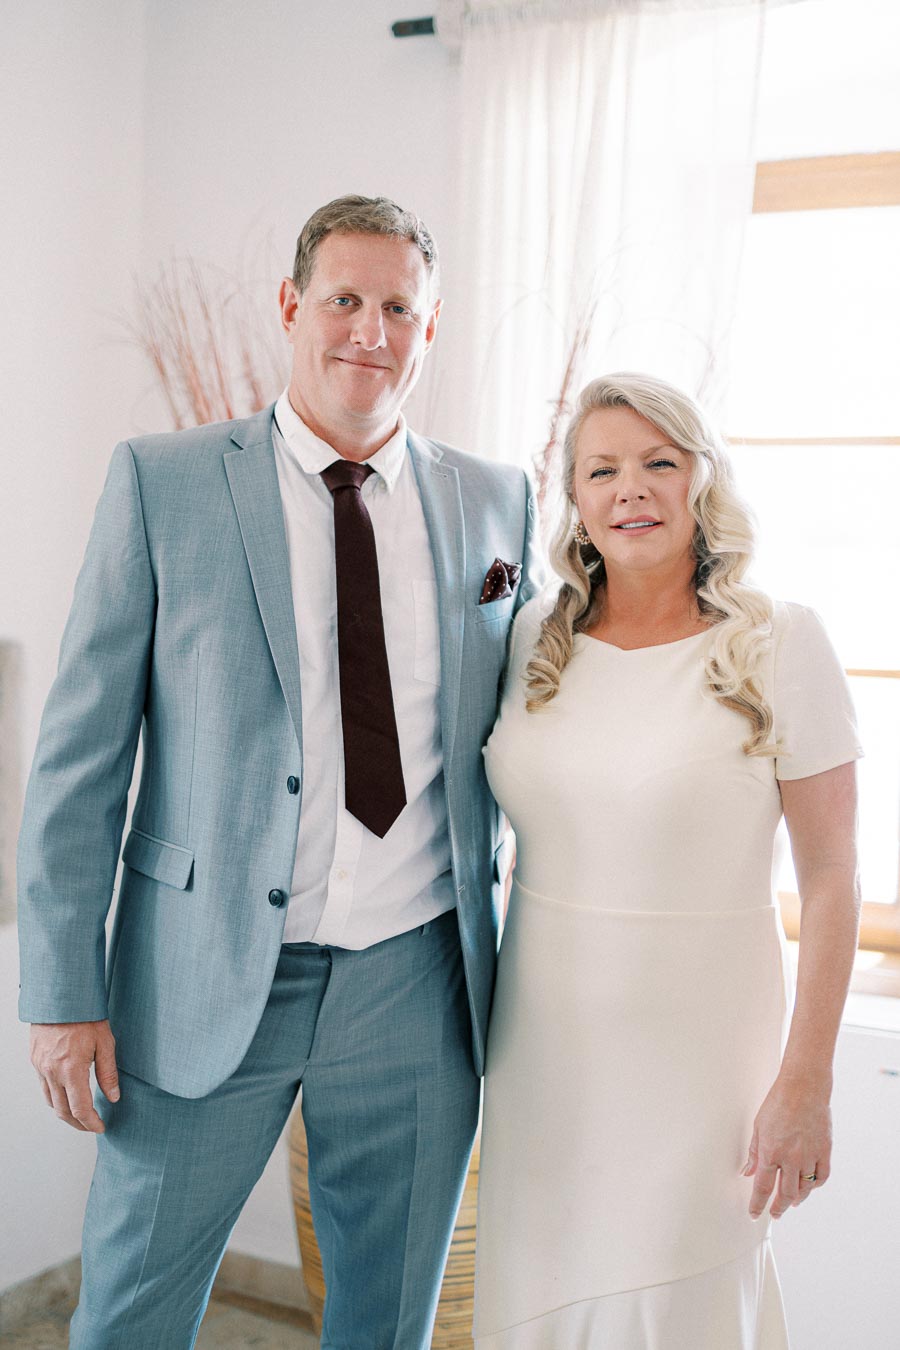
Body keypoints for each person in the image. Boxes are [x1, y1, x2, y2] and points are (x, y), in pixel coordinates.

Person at [18, 193, 542, 1349]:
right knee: (131, 1315)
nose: (371, 329)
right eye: (345, 299)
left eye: (399, 306)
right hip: (198, 979)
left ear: (432, 327)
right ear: (292, 306)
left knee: (384, 1325)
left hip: (418, 985)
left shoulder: (496, 498)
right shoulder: (166, 481)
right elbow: (77, 757)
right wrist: (62, 993)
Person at [473, 372, 861, 1348]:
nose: (629, 489)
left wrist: (805, 1081)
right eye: (601, 469)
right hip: (541, 1058)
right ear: (575, 497)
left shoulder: (778, 641)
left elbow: (831, 876)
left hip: (697, 1070)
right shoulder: (531, 638)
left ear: (703, 480)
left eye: (658, 462)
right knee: (537, 1307)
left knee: (673, 1313)